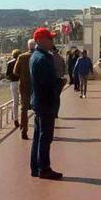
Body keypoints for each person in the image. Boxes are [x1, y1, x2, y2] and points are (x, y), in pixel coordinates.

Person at [30, 27, 63, 180]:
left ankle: (35, 167)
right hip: (45, 102)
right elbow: (47, 83)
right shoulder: (42, 59)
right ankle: (44, 168)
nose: (52, 41)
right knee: (45, 137)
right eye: (49, 39)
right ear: (41, 40)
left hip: (39, 101)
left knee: (38, 136)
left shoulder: (36, 56)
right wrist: (59, 84)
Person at [13, 39, 36, 140]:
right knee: (38, 109)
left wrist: (23, 75)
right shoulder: (39, 56)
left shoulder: (22, 57)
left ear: (28, 46)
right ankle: (38, 130)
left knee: (24, 109)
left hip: (24, 86)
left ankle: (24, 130)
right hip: (37, 86)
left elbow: (15, 72)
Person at [6, 49, 21, 113]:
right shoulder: (21, 62)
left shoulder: (9, 63)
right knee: (23, 98)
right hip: (21, 81)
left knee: (15, 100)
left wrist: (11, 78)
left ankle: (15, 117)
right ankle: (23, 113)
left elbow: (7, 75)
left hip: (13, 82)